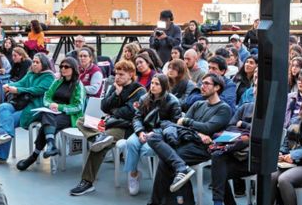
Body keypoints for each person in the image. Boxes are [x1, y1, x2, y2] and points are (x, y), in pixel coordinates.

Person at [135, 73, 231, 205]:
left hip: (202, 148)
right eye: (202, 83)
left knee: (166, 162)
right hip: (185, 141)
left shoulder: (223, 109)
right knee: (152, 137)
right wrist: (197, 131)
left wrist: (188, 122)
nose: (202, 86)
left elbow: (207, 127)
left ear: (217, 87)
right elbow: (179, 126)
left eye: (207, 83)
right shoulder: (198, 104)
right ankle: (181, 167)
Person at [69, 61, 147, 196]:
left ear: (131, 75)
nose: (117, 77)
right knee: (82, 120)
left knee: (98, 147)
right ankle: (97, 137)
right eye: (116, 73)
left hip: (123, 127)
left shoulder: (139, 90)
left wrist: (119, 98)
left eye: (121, 74)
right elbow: (104, 106)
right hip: (108, 122)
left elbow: (130, 112)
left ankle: (87, 182)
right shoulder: (115, 87)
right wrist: (116, 94)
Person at [16, 57, 86, 170]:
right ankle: (50, 145)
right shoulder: (58, 81)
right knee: (47, 115)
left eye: (66, 67)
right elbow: (47, 96)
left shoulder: (78, 85)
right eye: (61, 66)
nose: (63, 69)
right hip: (52, 112)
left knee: (46, 124)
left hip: (69, 115)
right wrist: (50, 105)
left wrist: (60, 107)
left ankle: (34, 155)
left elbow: (78, 107)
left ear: (73, 69)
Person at [124, 74, 182, 196]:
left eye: (157, 84)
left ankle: (155, 183)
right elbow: (137, 118)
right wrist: (140, 132)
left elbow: (174, 124)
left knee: (145, 149)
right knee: (130, 143)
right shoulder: (144, 98)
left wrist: (155, 133)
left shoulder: (172, 101)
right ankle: (133, 174)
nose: (153, 86)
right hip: (143, 130)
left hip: (159, 134)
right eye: (152, 83)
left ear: (164, 86)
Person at [205, 98, 255, 205]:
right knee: (217, 159)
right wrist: (245, 132)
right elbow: (231, 126)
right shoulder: (246, 107)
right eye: (256, 83)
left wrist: (243, 125)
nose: (257, 86)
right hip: (236, 153)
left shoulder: (271, 111)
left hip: (256, 159)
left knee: (219, 170)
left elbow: (260, 133)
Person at [0, 54, 56, 161]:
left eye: (37, 62)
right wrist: (9, 86)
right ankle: (5, 135)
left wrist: (18, 90)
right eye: (34, 62)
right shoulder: (30, 73)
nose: (34, 64)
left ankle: (1, 155)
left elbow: (37, 89)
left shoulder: (49, 77)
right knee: (3, 107)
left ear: (44, 64)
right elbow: (20, 83)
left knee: (8, 121)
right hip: (21, 103)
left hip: (35, 107)